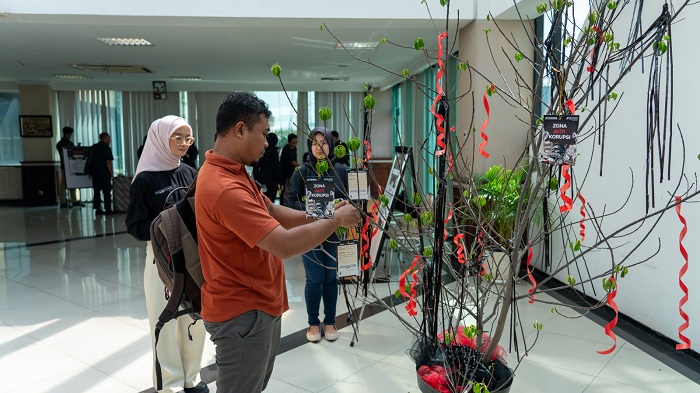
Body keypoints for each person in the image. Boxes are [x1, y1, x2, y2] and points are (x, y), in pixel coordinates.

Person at [195, 92, 361, 393]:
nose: (268, 143)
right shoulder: (223, 187)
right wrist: (335, 220)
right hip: (242, 313)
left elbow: (270, 210)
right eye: (265, 134)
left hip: (256, 306)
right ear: (240, 129)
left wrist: (323, 212)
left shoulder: (234, 172)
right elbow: (283, 245)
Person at [125, 116, 208, 393]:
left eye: (189, 138)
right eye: (178, 138)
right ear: (161, 138)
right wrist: (165, 229)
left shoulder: (189, 172)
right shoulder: (144, 179)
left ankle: (191, 378)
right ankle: (170, 385)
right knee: (165, 319)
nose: (185, 143)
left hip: (192, 255)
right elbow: (134, 226)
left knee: (194, 316)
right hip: (161, 258)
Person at [286, 126, 349, 342]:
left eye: (323, 142)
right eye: (314, 143)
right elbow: (289, 199)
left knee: (331, 278)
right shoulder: (302, 172)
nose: (319, 147)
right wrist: (310, 208)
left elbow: (349, 199)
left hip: (333, 232)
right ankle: (313, 323)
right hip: (309, 232)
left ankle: (329, 321)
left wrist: (338, 205)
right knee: (314, 279)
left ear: (331, 144)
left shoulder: (340, 170)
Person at [85, 132, 114, 215]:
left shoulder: (93, 147)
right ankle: (108, 209)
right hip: (104, 174)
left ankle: (97, 209)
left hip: (95, 174)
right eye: (109, 138)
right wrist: (111, 173)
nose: (110, 140)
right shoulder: (106, 148)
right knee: (106, 192)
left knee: (97, 192)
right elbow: (108, 161)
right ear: (105, 138)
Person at [56, 126, 82, 208]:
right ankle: (63, 202)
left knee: (72, 182)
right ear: (66, 134)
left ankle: (74, 200)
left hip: (72, 165)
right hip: (65, 166)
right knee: (63, 184)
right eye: (69, 134)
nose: (70, 136)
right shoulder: (60, 144)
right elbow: (63, 154)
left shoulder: (70, 143)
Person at [252, 132, 282, 202]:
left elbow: (256, 166)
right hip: (272, 180)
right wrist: (281, 182)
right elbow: (277, 168)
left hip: (261, 178)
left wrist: (256, 179)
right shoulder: (274, 152)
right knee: (271, 201)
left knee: (262, 200)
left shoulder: (261, 150)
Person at [279, 133, 299, 206]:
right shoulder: (286, 149)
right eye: (293, 143)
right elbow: (292, 161)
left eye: (296, 143)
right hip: (285, 172)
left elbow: (295, 159)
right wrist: (300, 166)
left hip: (291, 172)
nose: (295, 144)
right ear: (289, 142)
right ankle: (284, 205)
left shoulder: (294, 149)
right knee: (285, 190)